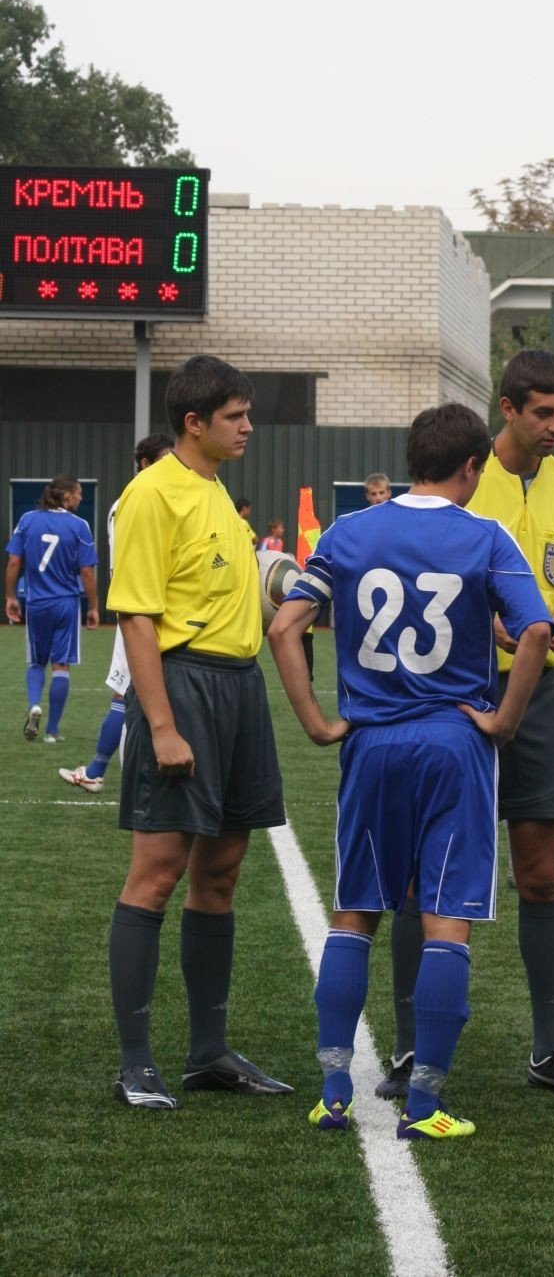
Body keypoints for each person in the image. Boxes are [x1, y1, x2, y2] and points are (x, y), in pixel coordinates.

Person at [268, 403, 553, 1139]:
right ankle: (424, 1103)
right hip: (452, 744)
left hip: (370, 740)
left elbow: (282, 624)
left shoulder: (347, 532)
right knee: (444, 916)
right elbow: (536, 631)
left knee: (355, 909)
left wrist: (317, 721)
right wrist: (503, 720)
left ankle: (334, 1088)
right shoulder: (485, 535)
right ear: (471, 466)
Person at [381, 348, 554, 1100]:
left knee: (539, 872)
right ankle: (411, 1049)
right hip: (453, 697)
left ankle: (548, 1047)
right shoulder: (463, 482)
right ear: (505, 409)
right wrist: (495, 625)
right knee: (422, 878)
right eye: (542, 412)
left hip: (536, 698)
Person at [105, 355, 292, 1111]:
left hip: (239, 688)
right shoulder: (152, 493)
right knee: (156, 870)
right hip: (183, 688)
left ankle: (208, 1052)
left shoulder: (217, 492)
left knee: (222, 870)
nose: (248, 427)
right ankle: (134, 1061)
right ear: (195, 422)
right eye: (235, 416)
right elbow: (138, 616)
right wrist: (161, 723)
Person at [59, 435, 174, 794]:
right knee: (125, 698)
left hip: (158, 613)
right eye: (166, 458)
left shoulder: (154, 499)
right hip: (139, 613)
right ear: (145, 463)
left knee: (141, 699)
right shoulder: (132, 502)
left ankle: (106, 773)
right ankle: (107, 774)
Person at [5, 475, 99, 743]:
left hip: (36, 602)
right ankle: (52, 732)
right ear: (67, 496)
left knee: (36, 660)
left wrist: (10, 596)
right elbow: (87, 571)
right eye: (79, 493)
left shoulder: (27, 520)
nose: (81, 498)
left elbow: (14, 562)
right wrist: (93, 606)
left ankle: (35, 704)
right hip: (66, 603)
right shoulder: (80, 526)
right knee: (61, 666)